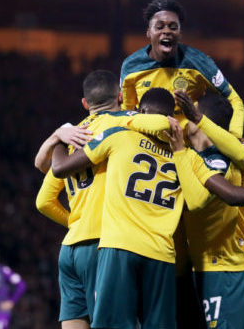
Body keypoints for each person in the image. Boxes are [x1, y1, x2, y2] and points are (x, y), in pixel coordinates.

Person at [52, 88, 244, 329]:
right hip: (161, 254)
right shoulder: (186, 156)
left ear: (140, 113)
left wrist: (60, 138)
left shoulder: (118, 135)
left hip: (119, 247)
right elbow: (199, 201)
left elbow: (59, 169)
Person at [35, 70, 172, 329]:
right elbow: (160, 124)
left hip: (70, 249)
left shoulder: (73, 137)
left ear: (85, 104)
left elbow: (43, 201)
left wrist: (75, 222)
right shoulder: (123, 124)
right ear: (120, 97)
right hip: (104, 244)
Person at [175, 90, 244, 329]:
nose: (184, 117)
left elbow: (235, 176)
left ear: (201, 119)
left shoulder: (239, 150)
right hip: (217, 260)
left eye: (191, 113)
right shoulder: (190, 155)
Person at [120, 0, 244, 137]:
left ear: (179, 34)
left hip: (188, 150)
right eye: (159, 27)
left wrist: (235, 136)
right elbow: (125, 112)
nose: (166, 31)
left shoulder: (199, 62)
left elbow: (234, 99)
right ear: (149, 32)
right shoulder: (131, 66)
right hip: (147, 145)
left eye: (173, 27)